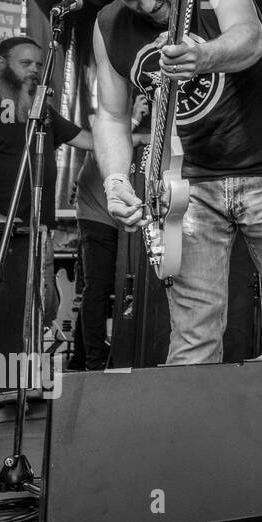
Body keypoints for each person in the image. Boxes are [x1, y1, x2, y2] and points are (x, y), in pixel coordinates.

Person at [88, 0, 262, 366]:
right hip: (185, 190)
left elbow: (249, 41)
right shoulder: (108, 25)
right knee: (194, 328)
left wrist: (203, 55)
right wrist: (116, 181)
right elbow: (112, 115)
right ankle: (193, 434)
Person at [0, 36, 93, 228]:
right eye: (25, 63)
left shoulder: (41, 109)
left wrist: (138, 135)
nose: (34, 69)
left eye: (38, 65)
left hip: (37, 228)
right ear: (1, 64)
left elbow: (88, 141)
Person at [69, 96, 150, 371]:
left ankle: (81, 357)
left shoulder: (131, 134)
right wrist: (136, 120)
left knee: (98, 289)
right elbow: (112, 141)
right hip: (96, 218)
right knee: (98, 289)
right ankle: (94, 360)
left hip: (110, 220)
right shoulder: (107, 132)